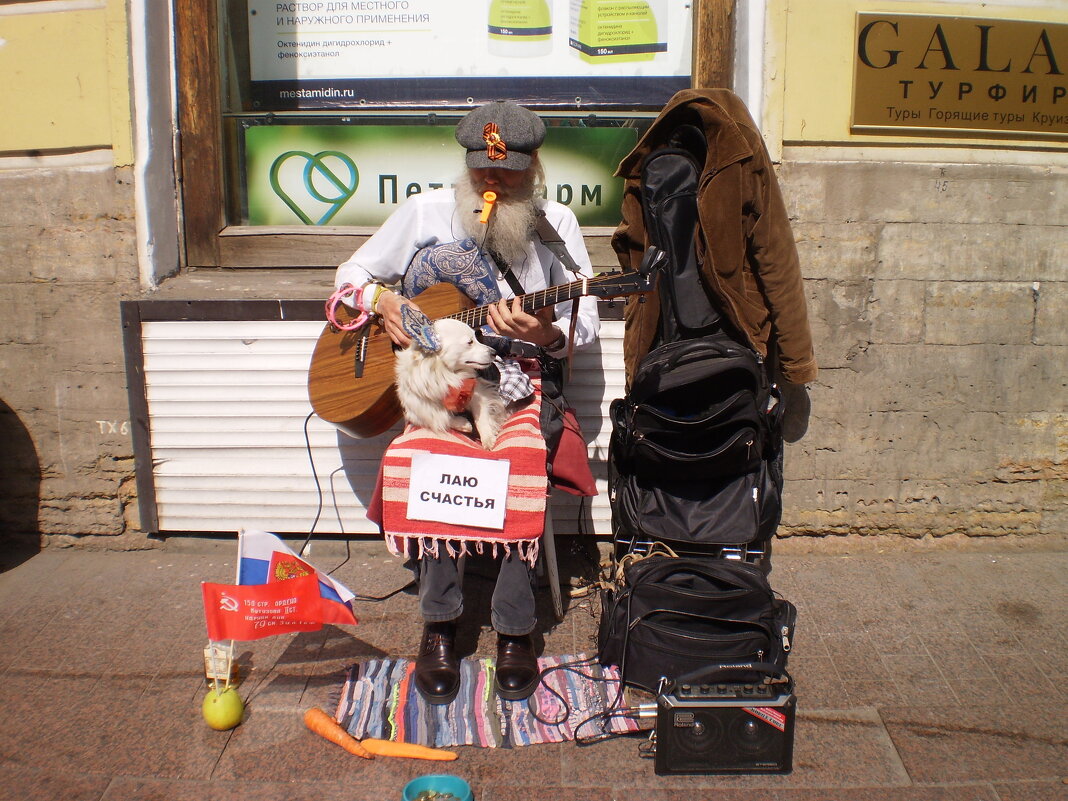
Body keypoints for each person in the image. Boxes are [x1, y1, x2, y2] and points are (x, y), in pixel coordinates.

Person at [335, 100, 600, 704]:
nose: (492, 183)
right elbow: (349, 275)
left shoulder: (555, 225)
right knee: (424, 460)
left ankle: (514, 627)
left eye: (506, 173)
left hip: (517, 379)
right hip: (437, 390)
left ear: (533, 171)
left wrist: (547, 334)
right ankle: (440, 624)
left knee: (518, 465)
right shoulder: (425, 212)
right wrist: (383, 301)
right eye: (482, 170)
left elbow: (588, 325)